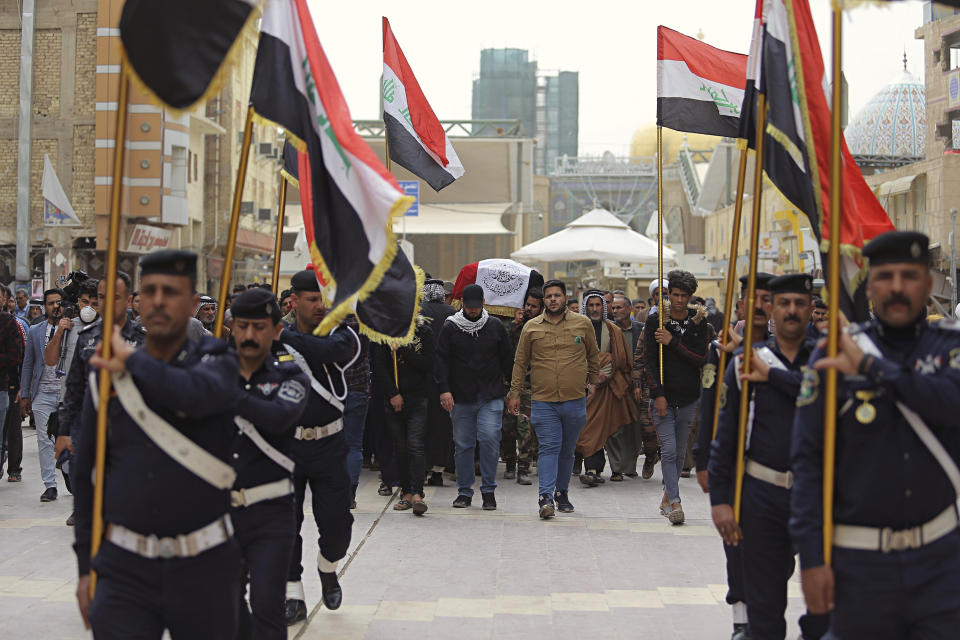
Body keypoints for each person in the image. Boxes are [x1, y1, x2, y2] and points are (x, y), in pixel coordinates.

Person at [791, 231, 960, 639]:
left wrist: (870, 367)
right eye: (885, 276)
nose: (897, 287)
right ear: (869, 285)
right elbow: (808, 463)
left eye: (909, 275)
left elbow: (949, 405)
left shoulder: (950, 349)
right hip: (859, 565)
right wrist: (812, 559)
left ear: (927, 283)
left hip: (941, 560)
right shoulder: (832, 353)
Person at [73, 250, 242, 638]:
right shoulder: (109, 374)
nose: (159, 300)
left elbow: (196, 396)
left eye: (171, 291)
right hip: (124, 568)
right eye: (149, 291)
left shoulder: (217, 360)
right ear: (138, 301)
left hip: (205, 566)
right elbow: (87, 476)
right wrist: (86, 567)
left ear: (192, 302)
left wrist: (132, 362)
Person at [711, 273, 828, 640]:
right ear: (771, 310)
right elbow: (725, 435)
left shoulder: (830, 359)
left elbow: (823, 395)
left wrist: (776, 378)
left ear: (811, 309)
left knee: (825, 611)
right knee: (764, 612)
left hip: (819, 497)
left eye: (800, 303)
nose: (792, 311)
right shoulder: (746, 363)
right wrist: (721, 500)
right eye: (783, 303)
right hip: (761, 495)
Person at [692, 273, 772, 640]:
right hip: (737, 463)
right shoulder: (719, 346)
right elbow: (710, 402)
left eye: (767, 299)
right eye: (751, 299)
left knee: (778, 560)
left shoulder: (792, 346)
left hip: (781, 466)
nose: (759, 307)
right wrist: (703, 457)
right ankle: (742, 617)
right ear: (739, 304)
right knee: (736, 544)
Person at [278, 270, 359, 626]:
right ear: (294, 301)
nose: (320, 305)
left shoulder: (341, 332)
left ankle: (328, 567)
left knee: (337, 521)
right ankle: (292, 591)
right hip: (285, 444)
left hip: (329, 443)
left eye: (324, 298)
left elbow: (333, 352)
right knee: (283, 523)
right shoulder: (275, 335)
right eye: (312, 299)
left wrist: (284, 340)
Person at [229, 288, 309, 640]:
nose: (249, 335)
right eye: (242, 325)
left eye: (259, 327)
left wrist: (227, 394)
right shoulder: (211, 370)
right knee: (225, 604)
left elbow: (278, 418)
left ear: (276, 330)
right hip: (219, 512)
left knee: (267, 605)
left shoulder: (290, 375)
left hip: (271, 510)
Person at [509, 280, 599, 519]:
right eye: (548, 296)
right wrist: (515, 393)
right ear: (544, 300)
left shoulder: (583, 324)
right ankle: (545, 497)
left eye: (557, 295)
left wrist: (592, 382)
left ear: (565, 298)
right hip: (543, 400)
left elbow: (593, 355)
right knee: (549, 448)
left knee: (567, 451)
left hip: (574, 399)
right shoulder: (531, 328)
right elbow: (520, 363)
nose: (553, 300)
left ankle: (562, 493)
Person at [436, 284, 513, 511]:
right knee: (463, 444)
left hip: (490, 394)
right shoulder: (451, 327)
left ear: (483, 304)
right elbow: (441, 361)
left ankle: (489, 490)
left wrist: (513, 389)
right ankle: (464, 491)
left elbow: (507, 359)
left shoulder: (495, 326)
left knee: (490, 439)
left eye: (476, 307)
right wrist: (444, 389)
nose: (473, 311)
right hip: (460, 396)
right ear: (462, 305)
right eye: (469, 307)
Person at [644, 270, 709, 525]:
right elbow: (649, 360)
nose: (679, 300)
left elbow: (700, 359)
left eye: (684, 296)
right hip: (663, 397)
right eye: (675, 295)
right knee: (669, 450)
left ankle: (666, 495)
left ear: (691, 296)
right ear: (668, 294)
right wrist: (657, 393)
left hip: (689, 396)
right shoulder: (657, 319)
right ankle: (675, 502)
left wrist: (672, 342)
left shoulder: (700, 320)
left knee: (680, 452)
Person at [372, 315, 433, 514]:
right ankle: (406, 491)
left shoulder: (424, 331)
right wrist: (393, 394)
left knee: (415, 445)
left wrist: (404, 350)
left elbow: (428, 364)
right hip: (393, 400)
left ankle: (417, 493)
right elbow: (379, 368)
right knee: (401, 447)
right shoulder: (382, 333)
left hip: (417, 398)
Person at [577, 291, 636, 486]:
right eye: (591, 305)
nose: (595, 309)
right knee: (585, 428)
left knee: (599, 429)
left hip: (606, 389)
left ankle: (593, 470)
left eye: (598, 305)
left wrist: (604, 372)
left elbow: (620, 359)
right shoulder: (576, 328)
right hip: (580, 387)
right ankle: (591, 468)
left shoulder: (613, 330)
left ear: (604, 307)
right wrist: (588, 375)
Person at [20, 288, 68, 502]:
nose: (55, 307)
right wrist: (25, 394)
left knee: (69, 439)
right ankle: (50, 485)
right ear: (44, 306)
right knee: (44, 440)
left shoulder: (74, 328)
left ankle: (71, 478)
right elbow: (28, 364)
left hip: (67, 394)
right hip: (43, 394)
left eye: (59, 302)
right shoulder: (35, 331)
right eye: (51, 303)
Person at [500, 289, 543, 485]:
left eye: (533, 306)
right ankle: (509, 462)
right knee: (507, 427)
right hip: (509, 384)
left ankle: (523, 468)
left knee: (525, 428)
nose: (529, 309)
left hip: (531, 385)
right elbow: (501, 343)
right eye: (527, 305)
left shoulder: (542, 327)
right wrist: (515, 324)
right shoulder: (513, 326)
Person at [419, 279, 456, 487]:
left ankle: (422, 467)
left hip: (421, 377)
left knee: (422, 424)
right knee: (442, 425)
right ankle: (438, 471)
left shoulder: (418, 312)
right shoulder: (451, 313)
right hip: (445, 380)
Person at [604, 294, 644, 480]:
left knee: (634, 427)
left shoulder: (641, 330)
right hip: (614, 385)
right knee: (615, 426)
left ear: (630, 309)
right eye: (614, 308)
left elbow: (645, 358)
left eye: (620, 308)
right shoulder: (608, 330)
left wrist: (639, 383)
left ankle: (630, 466)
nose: (616, 311)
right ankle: (616, 468)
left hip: (636, 386)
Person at [342, 314, 370, 509]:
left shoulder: (329, 325)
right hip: (358, 388)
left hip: (332, 391)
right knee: (354, 445)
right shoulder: (366, 325)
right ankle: (350, 492)